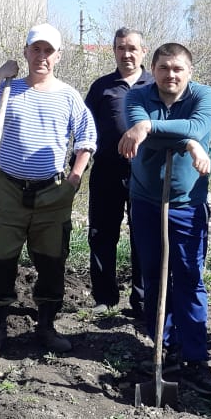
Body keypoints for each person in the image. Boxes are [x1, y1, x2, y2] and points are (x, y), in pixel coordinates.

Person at [0, 23, 97, 362]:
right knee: (1, 259)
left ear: (58, 56)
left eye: (48, 51)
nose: (42, 56)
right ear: (26, 52)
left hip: (52, 192)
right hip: (9, 190)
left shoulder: (68, 96)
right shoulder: (9, 90)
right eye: (36, 49)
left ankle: (46, 326)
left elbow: (87, 138)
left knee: (52, 261)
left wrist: (74, 179)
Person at [118, 42, 211, 395]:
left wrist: (153, 128)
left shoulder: (204, 95)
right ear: (154, 70)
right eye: (163, 68)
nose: (170, 75)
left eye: (178, 68)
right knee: (153, 276)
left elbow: (197, 125)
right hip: (147, 201)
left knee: (189, 278)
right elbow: (143, 136)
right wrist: (188, 141)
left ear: (189, 71)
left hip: (187, 203)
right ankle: (161, 348)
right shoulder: (137, 96)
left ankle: (195, 359)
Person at [84, 28, 153, 315]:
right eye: (121, 48)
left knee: (144, 236)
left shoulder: (155, 85)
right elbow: (85, 129)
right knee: (101, 234)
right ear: (114, 51)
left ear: (143, 51)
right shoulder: (102, 87)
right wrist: (77, 166)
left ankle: (143, 300)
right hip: (107, 172)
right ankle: (105, 297)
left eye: (132, 48)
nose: (127, 54)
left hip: (146, 175)